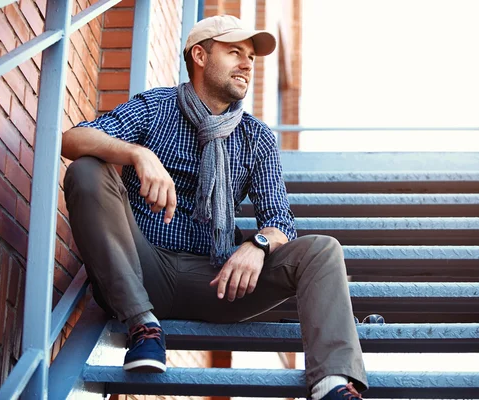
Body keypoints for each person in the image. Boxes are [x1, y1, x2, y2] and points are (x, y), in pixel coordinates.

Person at [62, 14, 367, 400]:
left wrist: (256, 246)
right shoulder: (157, 106)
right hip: (141, 268)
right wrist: (137, 155)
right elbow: (72, 139)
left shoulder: (257, 138)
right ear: (200, 55)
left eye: (251, 58)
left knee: (323, 249)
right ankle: (143, 325)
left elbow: (280, 223)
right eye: (235, 52)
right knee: (88, 169)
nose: (247, 64)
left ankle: (332, 382)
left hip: (218, 281)